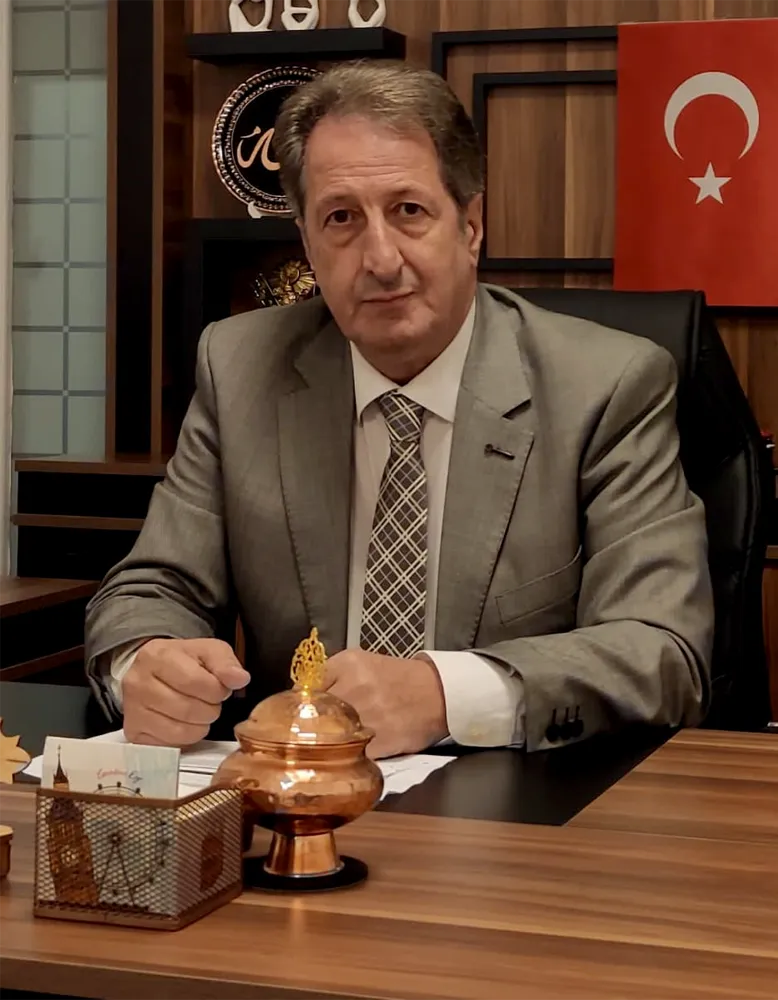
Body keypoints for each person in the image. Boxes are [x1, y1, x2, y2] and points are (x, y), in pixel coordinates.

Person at [84, 60, 714, 756]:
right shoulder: (240, 369)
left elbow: (662, 651)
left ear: (470, 225)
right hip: (299, 791)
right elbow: (152, 586)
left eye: (409, 211)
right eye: (341, 219)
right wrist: (144, 662)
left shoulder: (605, 386)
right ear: (307, 244)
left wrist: (445, 695)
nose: (380, 259)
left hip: (520, 798)